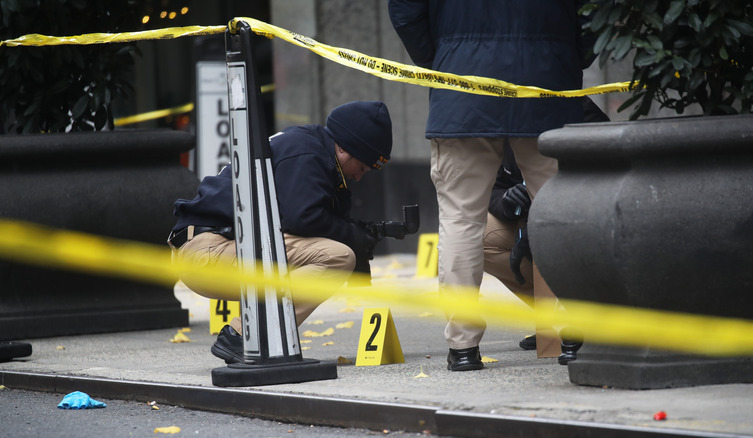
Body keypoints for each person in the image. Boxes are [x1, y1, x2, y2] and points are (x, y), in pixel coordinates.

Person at [388, 0, 596, 370]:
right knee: (563, 213)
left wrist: (444, 60)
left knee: (461, 220)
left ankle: (463, 348)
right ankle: (574, 336)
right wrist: (569, 52)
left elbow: (405, 10)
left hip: (462, 88)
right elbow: (593, 10)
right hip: (546, 80)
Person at [167, 100, 393, 364]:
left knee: (335, 252)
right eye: (363, 168)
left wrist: (353, 232)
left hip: (209, 248)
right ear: (345, 149)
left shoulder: (309, 148)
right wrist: (353, 237)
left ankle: (255, 339)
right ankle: (244, 336)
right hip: (208, 250)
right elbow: (302, 218)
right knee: (338, 257)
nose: (359, 177)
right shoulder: (308, 153)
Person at [484, 98, 610, 364]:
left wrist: (536, 229)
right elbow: (490, 188)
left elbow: (601, 184)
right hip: (535, 220)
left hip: (583, 220)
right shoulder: (504, 115)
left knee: (557, 237)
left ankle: (587, 319)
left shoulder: (578, 111)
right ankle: (553, 321)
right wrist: (506, 200)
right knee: (477, 233)